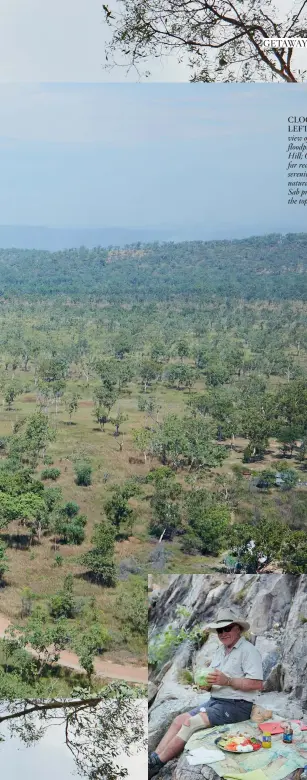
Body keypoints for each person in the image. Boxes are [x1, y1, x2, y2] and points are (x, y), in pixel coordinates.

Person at [148, 609, 264, 778]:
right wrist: (207, 686)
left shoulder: (249, 651)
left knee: (191, 723)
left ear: (238, 629)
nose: (223, 633)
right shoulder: (220, 651)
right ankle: (154, 759)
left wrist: (229, 681)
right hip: (215, 702)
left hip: (237, 706)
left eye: (228, 628)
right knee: (178, 720)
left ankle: (158, 763)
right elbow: (216, 682)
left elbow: (257, 684)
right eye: (220, 630)